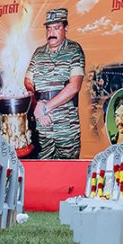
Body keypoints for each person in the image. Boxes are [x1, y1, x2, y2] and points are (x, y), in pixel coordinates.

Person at [24, 8, 85, 159]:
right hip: (42, 129)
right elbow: (28, 81)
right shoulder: (38, 53)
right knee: (42, 170)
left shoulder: (74, 50)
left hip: (66, 129)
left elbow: (74, 86)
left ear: (66, 28)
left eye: (56, 28)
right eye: (48, 28)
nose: (51, 33)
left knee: (67, 170)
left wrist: (45, 108)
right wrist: (36, 105)